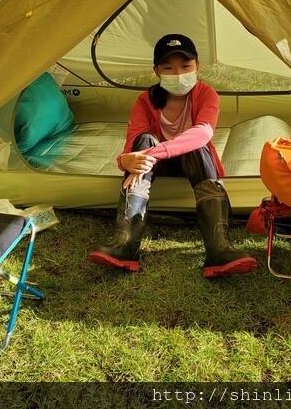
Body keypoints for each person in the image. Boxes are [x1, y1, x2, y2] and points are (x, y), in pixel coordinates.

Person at [88, 34, 258, 278]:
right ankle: (124, 245)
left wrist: (152, 153)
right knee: (144, 139)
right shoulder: (145, 100)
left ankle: (219, 250)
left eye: (185, 66)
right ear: (157, 70)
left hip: (194, 166)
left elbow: (203, 133)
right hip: (155, 169)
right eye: (168, 67)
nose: (178, 74)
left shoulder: (206, 94)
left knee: (197, 146)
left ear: (197, 66)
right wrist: (126, 160)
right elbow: (132, 146)